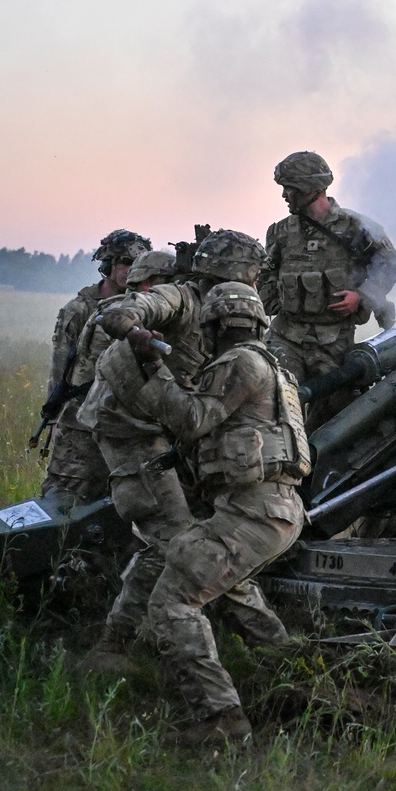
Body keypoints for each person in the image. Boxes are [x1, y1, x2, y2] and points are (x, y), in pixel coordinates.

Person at [77, 230, 291, 668]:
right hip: (131, 431)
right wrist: (131, 319)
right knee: (187, 545)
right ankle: (274, 650)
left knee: (172, 540)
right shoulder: (182, 299)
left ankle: (113, 644)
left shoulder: (223, 313)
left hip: (168, 431)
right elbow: (139, 305)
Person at [120, 282, 309, 745]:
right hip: (272, 509)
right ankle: (291, 673)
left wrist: (152, 364)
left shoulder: (238, 361)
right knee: (230, 588)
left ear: (215, 326)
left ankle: (221, 718)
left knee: (174, 601)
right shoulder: (274, 368)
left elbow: (190, 420)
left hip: (254, 511)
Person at [260, 151, 396, 404]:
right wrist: (275, 299)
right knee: (275, 402)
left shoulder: (356, 227)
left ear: (309, 188)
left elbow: (389, 265)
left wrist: (362, 297)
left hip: (333, 341)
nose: (284, 196)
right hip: (285, 336)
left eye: (289, 188)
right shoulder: (281, 231)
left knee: (331, 412)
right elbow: (266, 271)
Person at [41, 229, 152, 504]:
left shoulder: (147, 307)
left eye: (138, 264)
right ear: (108, 265)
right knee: (67, 497)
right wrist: (55, 418)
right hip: (79, 422)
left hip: (124, 423)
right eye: (125, 262)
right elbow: (59, 371)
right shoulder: (79, 309)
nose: (131, 270)